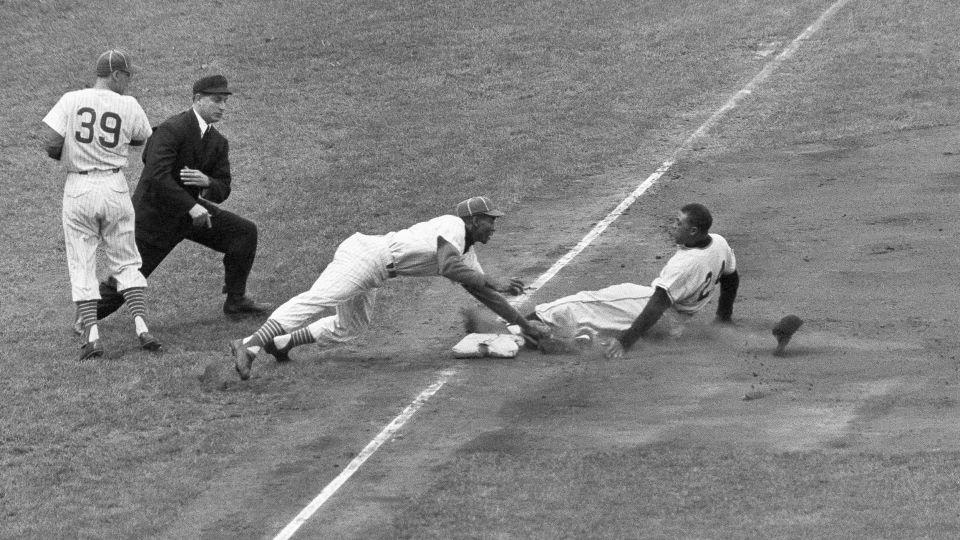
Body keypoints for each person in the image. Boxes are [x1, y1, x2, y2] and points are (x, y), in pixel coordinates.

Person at [229, 196, 547, 380]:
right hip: (369, 257)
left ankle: (282, 342)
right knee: (319, 298)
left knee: (351, 325)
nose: (494, 226)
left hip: (376, 270)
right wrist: (496, 281)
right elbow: (450, 267)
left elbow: (484, 293)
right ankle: (251, 345)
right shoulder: (452, 225)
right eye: (491, 220)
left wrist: (523, 326)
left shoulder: (467, 253)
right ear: (474, 220)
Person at [89, 74, 271, 325]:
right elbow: (155, 175)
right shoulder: (171, 130)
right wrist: (192, 205)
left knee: (243, 233)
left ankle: (236, 300)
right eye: (216, 100)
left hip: (190, 215)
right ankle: (85, 315)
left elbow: (223, 188)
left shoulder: (218, 142)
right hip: (153, 219)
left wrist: (207, 182)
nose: (222, 107)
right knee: (126, 283)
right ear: (197, 99)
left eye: (225, 102)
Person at [42, 49, 162, 361]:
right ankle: (141, 327)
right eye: (127, 76)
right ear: (116, 75)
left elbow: (52, 141)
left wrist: (70, 152)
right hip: (114, 186)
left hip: (79, 187)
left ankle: (93, 336)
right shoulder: (128, 104)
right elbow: (140, 138)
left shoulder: (71, 99)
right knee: (126, 258)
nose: (129, 82)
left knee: (81, 260)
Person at [528, 203, 739, 359]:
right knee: (610, 317)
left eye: (678, 223)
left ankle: (531, 319)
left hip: (660, 314)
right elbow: (731, 278)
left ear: (693, 231)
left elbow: (656, 305)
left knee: (591, 301)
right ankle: (585, 340)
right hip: (674, 326)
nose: (672, 225)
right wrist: (724, 316)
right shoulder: (719, 243)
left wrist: (624, 343)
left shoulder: (684, 265)